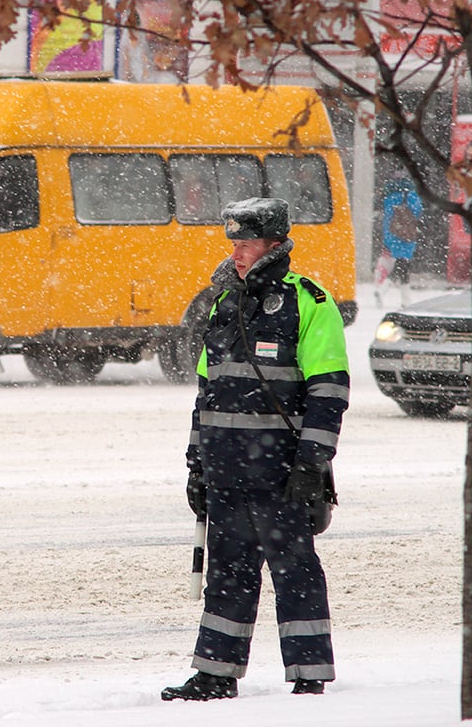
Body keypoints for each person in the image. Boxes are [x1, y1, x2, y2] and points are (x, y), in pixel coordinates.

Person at [161, 197, 349, 702]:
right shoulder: (224, 304)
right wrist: (196, 464)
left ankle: (310, 675)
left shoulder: (309, 301)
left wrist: (312, 464)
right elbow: (206, 393)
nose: (237, 252)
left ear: (273, 245)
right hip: (226, 471)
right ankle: (215, 674)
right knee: (226, 575)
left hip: (281, 472)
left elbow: (329, 392)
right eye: (234, 244)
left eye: (245, 243)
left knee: (295, 571)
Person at [375, 179, 423, 307]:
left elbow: (387, 219)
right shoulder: (411, 196)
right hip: (406, 236)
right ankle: (397, 296)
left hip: (392, 235)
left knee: (402, 266)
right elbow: (417, 212)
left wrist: (387, 240)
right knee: (403, 266)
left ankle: (398, 296)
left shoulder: (389, 198)